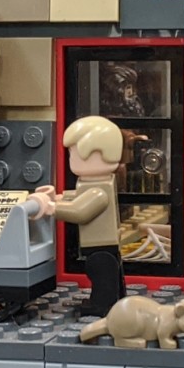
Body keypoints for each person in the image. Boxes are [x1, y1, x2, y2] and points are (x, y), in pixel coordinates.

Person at [32, 115, 127, 316]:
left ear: (95, 154)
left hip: (101, 245)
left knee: (101, 276)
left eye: (74, 155)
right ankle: (114, 299)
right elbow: (78, 196)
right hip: (104, 246)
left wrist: (52, 208)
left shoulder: (98, 191)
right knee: (109, 275)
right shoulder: (96, 183)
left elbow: (80, 211)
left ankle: (102, 306)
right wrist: (59, 198)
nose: (70, 159)